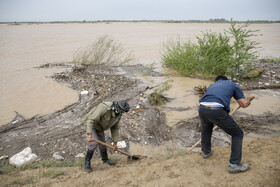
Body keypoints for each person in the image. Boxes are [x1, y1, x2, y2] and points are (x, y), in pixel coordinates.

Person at [198, 75, 254, 174]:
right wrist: (249, 98)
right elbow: (243, 104)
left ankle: (206, 152)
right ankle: (234, 165)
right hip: (216, 109)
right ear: (226, 80)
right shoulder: (232, 84)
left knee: (206, 129)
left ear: (217, 81)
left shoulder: (212, 86)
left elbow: (211, 99)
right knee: (237, 134)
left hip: (202, 108)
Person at [83, 100, 130, 172]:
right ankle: (87, 162)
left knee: (102, 144)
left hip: (100, 127)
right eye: (122, 111)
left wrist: (115, 143)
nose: (122, 113)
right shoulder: (104, 108)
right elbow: (91, 120)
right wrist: (90, 134)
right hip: (91, 124)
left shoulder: (118, 114)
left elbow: (115, 128)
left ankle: (105, 160)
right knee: (94, 143)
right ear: (118, 108)